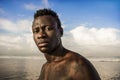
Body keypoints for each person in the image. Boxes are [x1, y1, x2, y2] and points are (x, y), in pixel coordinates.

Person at [32, 8, 101, 80]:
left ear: (60, 32)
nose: (40, 35)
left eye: (48, 28)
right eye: (36, 31)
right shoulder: (45, 67)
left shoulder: (77, 65)